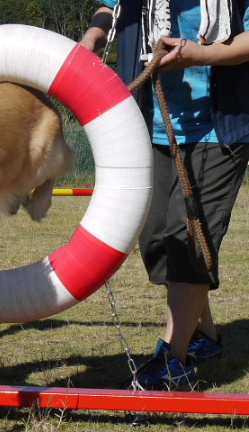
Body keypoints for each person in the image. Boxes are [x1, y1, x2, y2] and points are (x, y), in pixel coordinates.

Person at [80, 0, 249, 391]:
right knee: (155, 237)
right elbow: (110, 7)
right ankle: (204, 334)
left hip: (217, 128)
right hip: (147, 122)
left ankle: (174, 360)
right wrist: (92, 37)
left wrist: (201, 55)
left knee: (187, 236)